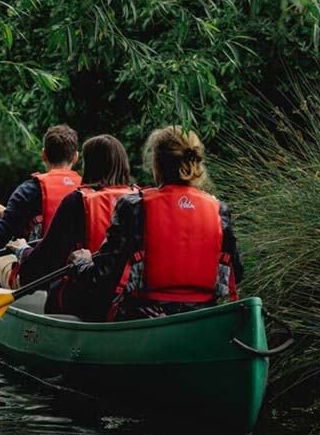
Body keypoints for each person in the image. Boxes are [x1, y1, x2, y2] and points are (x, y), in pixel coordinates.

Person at [65, 125, 242, 321]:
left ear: (156, 165)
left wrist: (81, 262)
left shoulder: (134, 206)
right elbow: (236, 273)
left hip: (145, 318)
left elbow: (103, 279)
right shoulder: (219, 210)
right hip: (202, 317)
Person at [0, 134, 137, 308]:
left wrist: (22, 250)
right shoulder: (139, 199)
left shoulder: (77, 201)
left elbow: (44, 262)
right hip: (130, 295)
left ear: (88, 165)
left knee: (0, 263)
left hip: (86, 299)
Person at [0, 124, 81, 289]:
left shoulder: (28, 191)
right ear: (75, 157)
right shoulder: (88, 191)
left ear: (44, 155)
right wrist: (9, 213)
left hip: (36, 282)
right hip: (75, 280)